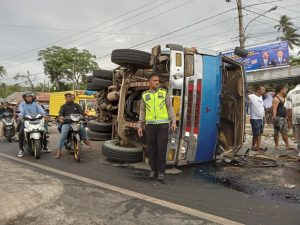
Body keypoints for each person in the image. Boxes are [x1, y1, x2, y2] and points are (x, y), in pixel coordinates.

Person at [137, 73, 176, 181]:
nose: (157, 82)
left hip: (163, 125)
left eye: (158, 80)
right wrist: (140, 125)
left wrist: (173, 121)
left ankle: (161, 172)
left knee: (161, 149)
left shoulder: (164, 93)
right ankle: (153, 170)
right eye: (154, 80)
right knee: (151, 149)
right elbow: (142, 112)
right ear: (149, 82)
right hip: (149, 126)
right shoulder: (145, 95)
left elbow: (170, 108)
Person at [55, 92, 90, 158]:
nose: (68, 98)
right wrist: (61, 117)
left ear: (72, 97)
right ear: (65, 98)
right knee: (63, 136)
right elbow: (61, 113)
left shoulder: (77, 105)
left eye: (69, 96)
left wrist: (84, 115)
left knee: (82, 127)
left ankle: (85, 139)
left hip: (75, 123)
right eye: (67, 97)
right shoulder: (63, 106)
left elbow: (82, 112)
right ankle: (59, 151)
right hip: (66, 123)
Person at [17, 92, 50, 157]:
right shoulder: (22, 104)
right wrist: (20, 116)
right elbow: (21, 110)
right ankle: (21, 149)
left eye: (30, 96)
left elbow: (41, 110)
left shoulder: (36, 104)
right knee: (21, 133)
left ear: (32, 98)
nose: (29, 98)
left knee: (43, 131)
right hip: (26, 120)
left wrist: (44, 114)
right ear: (25, 98)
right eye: (27, 97)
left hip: (37, 120)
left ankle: (45, 146)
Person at [272, 85, 295, 150]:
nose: (285, 90)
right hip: (278, 118)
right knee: (276, 132)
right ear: (281, 90)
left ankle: (287, 145)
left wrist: (287, 116)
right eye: (284, 89)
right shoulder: (276, 98)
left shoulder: (283, 98)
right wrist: (274, 118)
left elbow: (285, 108)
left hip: (284, 118)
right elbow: (274, 109)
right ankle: (276, 146)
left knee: (285, 132)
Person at [249, 85, 267, 151]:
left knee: (260, 133)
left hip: (261, 118)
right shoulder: (251, 96)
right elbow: (244, 97)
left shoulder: (261, 97)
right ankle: (253, 146)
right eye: (262, 89)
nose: (264, 91)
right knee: (255, 133)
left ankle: (258, 146)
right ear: (258, 90)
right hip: (254, 118)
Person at [285, 84, 300, 159]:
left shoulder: (291, 92)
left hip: (296, 116)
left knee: (298, 134)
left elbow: (289, 109)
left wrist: (289, 120)